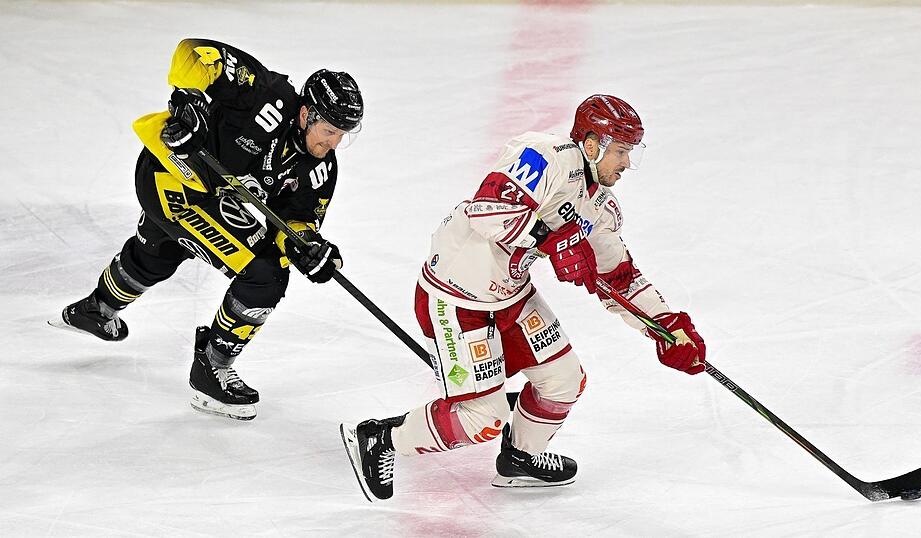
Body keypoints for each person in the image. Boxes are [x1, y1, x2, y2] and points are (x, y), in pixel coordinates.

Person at [340, 94, 706, 501]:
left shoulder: (600, 207)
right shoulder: (544, 156)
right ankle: (380, 438)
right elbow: (486, 211)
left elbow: (619, 278)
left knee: (564, 381)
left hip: (511, 294)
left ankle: (520, 457)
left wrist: (666, 327)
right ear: (591, 144)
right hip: (457, 295)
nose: (626, 163)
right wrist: (548, 239)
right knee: (484, 418)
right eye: (620, 151)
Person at [51, 38, 363, 421]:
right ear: (305, 114)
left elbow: (296, 222)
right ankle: (211, 369)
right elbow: (193, 52)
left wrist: (308, 246)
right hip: (170, 177)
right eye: (330, 130)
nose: (334, 142)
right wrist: (190, 100)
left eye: (343, 134)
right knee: (265, 274)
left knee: (158, 253)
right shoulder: (265, 94)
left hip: (205, 194)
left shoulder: (320, 168)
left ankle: (97, 308)